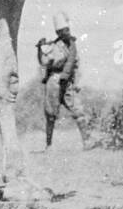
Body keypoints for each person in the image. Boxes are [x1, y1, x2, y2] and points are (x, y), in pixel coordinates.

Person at [37, 12, 90, 149]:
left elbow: (76, 65)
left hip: (68, 82)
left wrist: (77, 82)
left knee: (78, 111)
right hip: (54, 81)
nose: (65, 33)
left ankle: (87, 142)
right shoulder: (54, 46)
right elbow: (45, 62)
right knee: (50, 114)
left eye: (66, 30)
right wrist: (40, 50)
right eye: (62, 31)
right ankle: (49, 145)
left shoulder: (72, 46)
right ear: (58, 32)